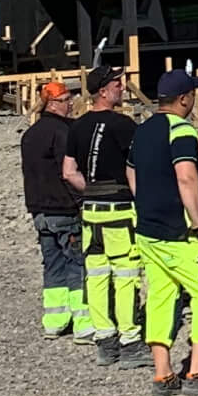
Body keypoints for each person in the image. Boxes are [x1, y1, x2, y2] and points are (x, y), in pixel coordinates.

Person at [129, 70, 198, 396]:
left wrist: (146, 202)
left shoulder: (144, 130)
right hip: (179, 234)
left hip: (148, 231)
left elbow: (131, 170)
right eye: (193, 95)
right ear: (184, 99)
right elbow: (187, 178)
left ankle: (163, 374)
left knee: (162, 298)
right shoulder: (182, 131)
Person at [65, 66, 142, 366]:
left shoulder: (77, 127)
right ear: (102, 91)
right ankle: (130, 340)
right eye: (116, 84)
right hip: (119, 209)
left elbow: (69, 172)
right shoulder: (123, 126)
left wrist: (93, 189)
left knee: (96, 276)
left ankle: (104, 340)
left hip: (91, 212)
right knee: (125, 274)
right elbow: (134, 168)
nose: (122, 87)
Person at [18, 80, 83, 338]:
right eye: (66, 100)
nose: (70, 105)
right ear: (54, 104)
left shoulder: (30, 134)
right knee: (77, 264)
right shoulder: (63, 133)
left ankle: (55, 320)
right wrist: (80, 203)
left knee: (52, 265)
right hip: (64, 209)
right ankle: (83, 323)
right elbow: (66, 172)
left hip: (39, 211)